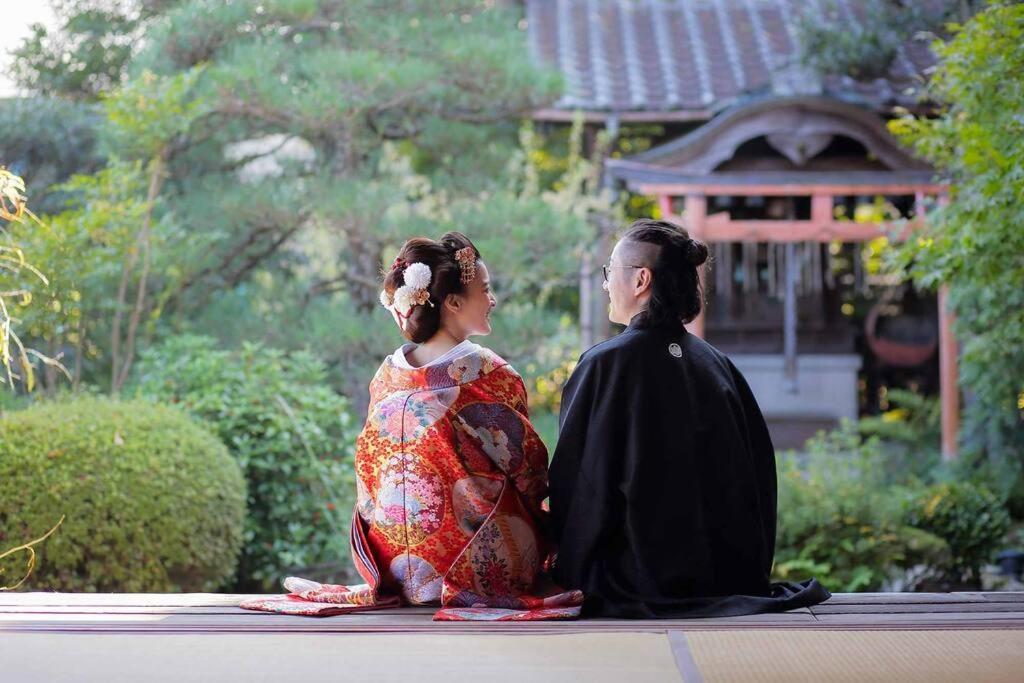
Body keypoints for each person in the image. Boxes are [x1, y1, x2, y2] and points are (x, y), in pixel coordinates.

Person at [242, 232, 581, 621]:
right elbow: (530, 471)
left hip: (394, 568)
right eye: (484, 290)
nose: (493, 299)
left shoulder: (387, 376)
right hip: (475, 567)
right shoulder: (488, 374)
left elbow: (368, 475)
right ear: (452, 302)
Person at [548, 219, 829, 618]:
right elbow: (760, 480)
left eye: (610, 272)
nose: (606, 284)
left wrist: (567, 568)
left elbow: (578, 486)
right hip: (727, 577)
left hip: (634, 580)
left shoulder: (604, 364)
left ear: (641, 278)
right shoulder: (717, 364)